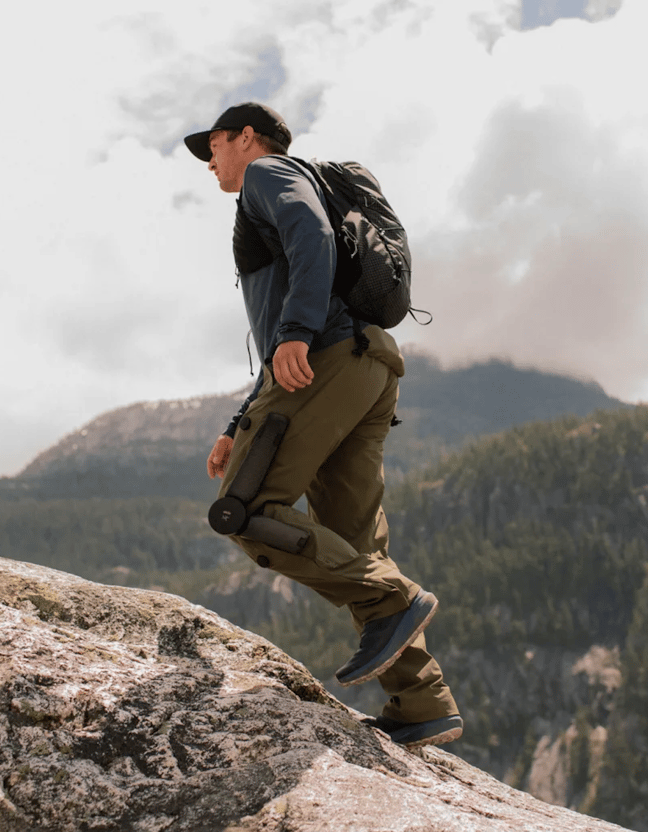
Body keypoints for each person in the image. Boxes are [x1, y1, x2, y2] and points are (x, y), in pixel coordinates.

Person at [184, 102, 462, 748]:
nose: (210, 161)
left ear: (246, 138)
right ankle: (422, 703)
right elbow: (288, 306)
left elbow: (311, 235)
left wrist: (301, 332)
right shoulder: (300, 178)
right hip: (366, 365)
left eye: (215, 145)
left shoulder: (268, 176)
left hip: (326, 356)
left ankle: (395, 599)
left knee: (244, 509)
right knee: (353, 543)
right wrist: (238, 423)